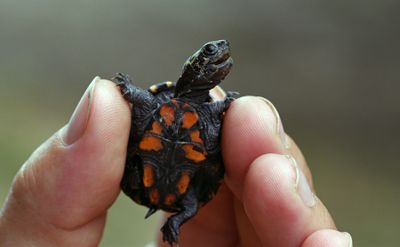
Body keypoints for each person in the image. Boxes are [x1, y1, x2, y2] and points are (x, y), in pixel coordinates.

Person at [0, 77, 352, 247]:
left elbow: (210, 112)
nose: (220, 62)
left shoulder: (213, 109)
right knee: (199, 193)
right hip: (165, 175)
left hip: (158, 177)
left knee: (193, 199)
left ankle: (176, 221)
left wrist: (225, 103)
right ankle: (178, 219)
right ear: (197, 69)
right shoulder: (194, 106)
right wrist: (127, 89)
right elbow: (142, 103)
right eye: (213, 59)